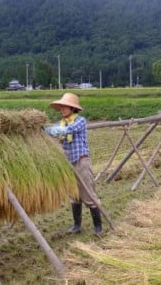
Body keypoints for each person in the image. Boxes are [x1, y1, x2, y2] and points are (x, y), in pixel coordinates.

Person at [44, 93, 103, 235]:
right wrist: (44, 130)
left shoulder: (80, 121)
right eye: (61, 107)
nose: (62, 109)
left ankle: (98, 226)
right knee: (74, 196)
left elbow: (67, 130)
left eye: (65, 106)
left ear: (72, 108)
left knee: (88, 194)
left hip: (81, 161)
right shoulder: (61, 123)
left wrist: (48, 130)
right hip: (68, 164)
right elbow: (56, 132)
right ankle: (77, 225)